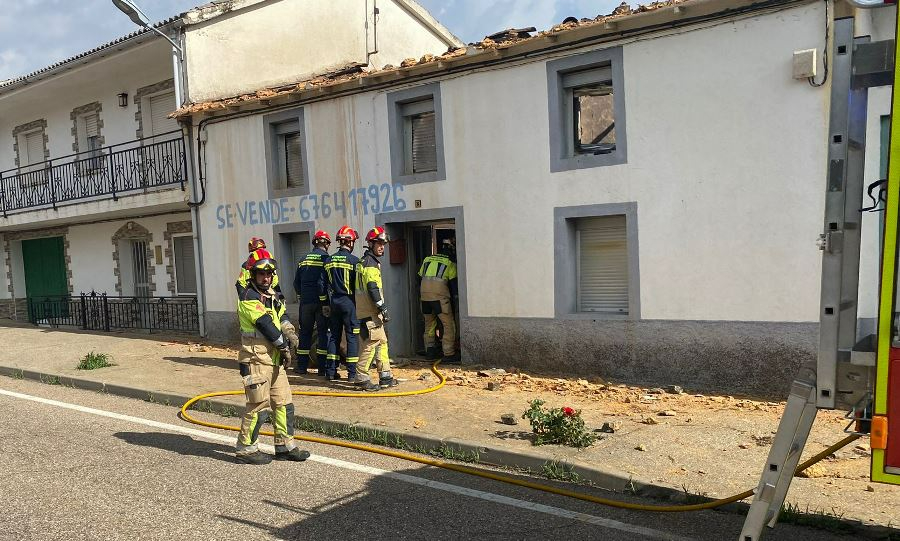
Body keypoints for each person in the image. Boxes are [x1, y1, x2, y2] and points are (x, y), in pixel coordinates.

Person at [235, 252, 309, 464]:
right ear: (253, 275)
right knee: (258, 405)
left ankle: (284, 446)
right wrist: (284, 346)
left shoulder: (272, 294)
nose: (266, 278)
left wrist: (291, 333)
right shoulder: (249, 296)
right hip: (256, 357)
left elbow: (281, 316)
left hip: (274, 358)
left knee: (284, 402)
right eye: (261, 274)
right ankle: (246, 449)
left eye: (269, 273)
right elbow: (265, 325)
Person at [354, 226, 399, 391]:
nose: (382, 247)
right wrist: (382, 307)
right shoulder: (371, 264)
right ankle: (361, 378)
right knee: (371, 344)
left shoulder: (363, 262)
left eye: (383, 244)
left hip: (366, 310)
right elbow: (372, 288)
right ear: (371, 244)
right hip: (370, 312)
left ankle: (385, 375)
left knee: (382, 342)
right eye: (379, 243)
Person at [293, 230, 332, 375]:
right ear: (327, 244)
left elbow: (296, 283)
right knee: (323, 333)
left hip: (305, 303)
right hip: (321, 303)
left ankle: (302, 366)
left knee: (304, 333)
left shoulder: (303, 259)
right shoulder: (326, 259)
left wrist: (302, 296)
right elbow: (327, 282)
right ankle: (322, 368)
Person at [324, 226, 360, 381]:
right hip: (349, 302)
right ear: (350, 242)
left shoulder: (328, 260)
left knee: (334, 336)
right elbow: (358, 286)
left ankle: (331, 371)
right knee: (352, 336)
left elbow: (324, 284)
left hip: (334, 302)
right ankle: (352, 374)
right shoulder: (355, 261)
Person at [418, 238, 459, 363]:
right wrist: (456, 300)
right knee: (448, 325)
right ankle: (448, 353)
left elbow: (419, 277)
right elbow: (453, 285)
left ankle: (430, 351)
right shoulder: (450, 262)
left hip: (424, 297)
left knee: (429, 324)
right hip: (440, 298)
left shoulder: (427, 259)